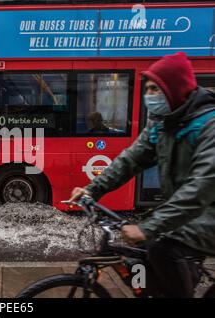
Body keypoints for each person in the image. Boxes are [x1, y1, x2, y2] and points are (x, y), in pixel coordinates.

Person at [69, 52, 215, 297]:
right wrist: (92, 189)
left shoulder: (208, 125)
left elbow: (201, 186)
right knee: (149, 251)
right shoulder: (162, 122)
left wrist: (148, 227)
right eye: (147, 88)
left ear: (174, 90)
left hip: (206, 213)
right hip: (189, 214)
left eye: (154, 89)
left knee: (162, 249)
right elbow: (131, 159)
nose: (148, 95)